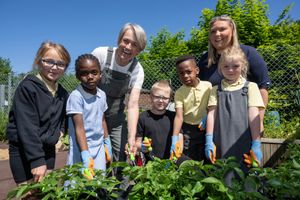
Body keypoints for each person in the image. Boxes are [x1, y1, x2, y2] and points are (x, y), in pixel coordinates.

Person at [6, 41, 70, 184]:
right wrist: (36, 161)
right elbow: (27, 127)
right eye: (49, 62)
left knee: (45, 192)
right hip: (24, 149)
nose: (54, 67)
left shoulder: (62, 93)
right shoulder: (28, 88)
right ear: (39, 62)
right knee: (29, 194)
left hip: (48, 150)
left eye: (60, 64)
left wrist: (59, 133)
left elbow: (63, 118)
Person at [198, 15, 271, 133]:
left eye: (222, 29)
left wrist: (259, 121)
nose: (217, 34)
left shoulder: (249, 53)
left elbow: (263, 88)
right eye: (213, 31)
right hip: (214, 125)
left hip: (244, 124)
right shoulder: (204, 60)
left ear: (232, 31)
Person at [92, 23, 147, 162]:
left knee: (121, 154)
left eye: (134, 44)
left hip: (116, 117)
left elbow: (133, 104)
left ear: (139, 50)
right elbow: (85, 84)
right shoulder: (101, 54)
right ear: (119, 40)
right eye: (125, 41)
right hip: (93, 115)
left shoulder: (137, 70)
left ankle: (119, 184)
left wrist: (131, 137)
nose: (128, 47)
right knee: (95, 154)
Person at [204, 47, 265, 174]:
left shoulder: (251, 87)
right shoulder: (215, 90)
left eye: (235, 66)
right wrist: (209, 140)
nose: (230, 70)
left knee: (246, 177)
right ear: (220, 67)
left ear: (243, 66)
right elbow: (211, 114)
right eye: (226, 66)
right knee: (223, 175)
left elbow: (254, 116)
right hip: (220, 141)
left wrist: (256, 143)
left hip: (244, 141)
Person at [66, 54, 112, 179]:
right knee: (76, 184)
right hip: (81, 149)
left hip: (98, 147)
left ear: (100, 74)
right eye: (84, 73)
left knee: (98, 181)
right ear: (77, 76)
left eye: (94, 72)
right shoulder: (76, 97)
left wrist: (107, 143)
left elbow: (102, 120)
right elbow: (79, 128)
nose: (90, 77)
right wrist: (85, 155)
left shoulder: (102, 95)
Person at [171, 55, 212, 161]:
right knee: (189, 157)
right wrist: (174, 137)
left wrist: (208, 116)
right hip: (188, 131)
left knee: (207, 157)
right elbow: (179, 116)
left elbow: (212, 106)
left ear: (197, 70)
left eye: (188, 72)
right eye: (181, 73)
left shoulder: (208, 86)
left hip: (206, 128)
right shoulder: (179, 92)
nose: (185, 76)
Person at [135, 80, 183, 162]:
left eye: (165, 98)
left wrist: (177, 154)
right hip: (151, 162)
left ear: (170, 99)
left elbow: (180, 138)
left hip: (171, 160)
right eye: (157, 97)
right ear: (151, 96)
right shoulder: (143, 117)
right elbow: (137, 142)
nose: (161, 100)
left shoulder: (173, 117)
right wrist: (142, 147)